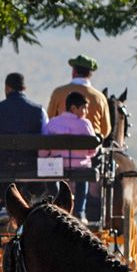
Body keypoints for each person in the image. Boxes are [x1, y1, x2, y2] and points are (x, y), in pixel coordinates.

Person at [0, 72, 47, 229]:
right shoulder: (39, 111)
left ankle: (0, 207)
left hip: (3, 167)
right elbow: (46, 142)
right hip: (31, 169)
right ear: (24, 88)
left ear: (7, 88)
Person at [42, 93, 100, 223]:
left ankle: (56, 205)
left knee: (51, 176)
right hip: (79, 165)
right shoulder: (85, 124)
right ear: (73, 108)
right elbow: (93, 150)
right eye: (84, 108)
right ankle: (79, 211)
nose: (86, 112)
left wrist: (47, 156)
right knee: (83, 177)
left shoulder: (53, 123)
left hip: (56, 166)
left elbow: (43, 150)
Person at [46, 54, 110, 143]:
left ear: (74, 72)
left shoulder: (58, 92)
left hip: (60, 145)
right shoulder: (100, 97)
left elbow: (49, 118)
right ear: (90, 74)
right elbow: (105, 130)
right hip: (91, 146)